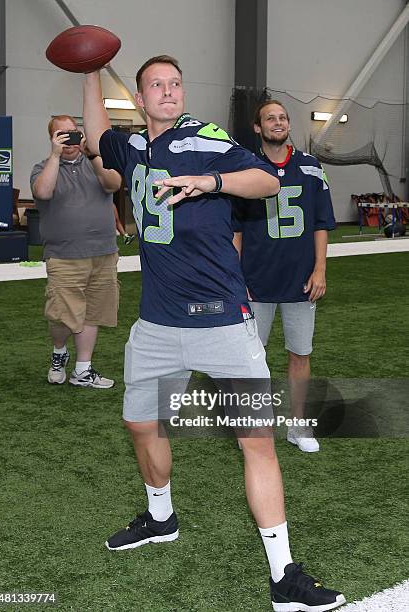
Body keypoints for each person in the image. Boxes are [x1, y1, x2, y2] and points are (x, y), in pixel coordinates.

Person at [83, 57, 345, 610]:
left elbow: (267, 180)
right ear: (140, 96)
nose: (170, 91)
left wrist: (211, 180)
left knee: (256, 442)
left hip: (222, 320)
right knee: (140, 423)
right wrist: (87, 70)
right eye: (157, 84)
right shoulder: (135, 148)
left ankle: (285, 574)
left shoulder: (203, 135)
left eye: (176, 83)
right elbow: (96, 139)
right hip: (155, 324)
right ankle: (161, 517)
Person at [232, 100, 336, 453]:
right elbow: (236, 230)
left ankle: (298, 426)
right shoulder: (246, 167)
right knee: (250, 358)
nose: (278, 122)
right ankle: (253, 426)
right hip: (256, 279)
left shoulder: (309, 166)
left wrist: (320, 268)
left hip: (300, 281)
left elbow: (322, 222)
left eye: (283, 117)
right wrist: (235, 276)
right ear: (257, 128)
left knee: (300, 354)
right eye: (270, 118)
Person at [30, 115, 122, 388]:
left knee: (93, 312)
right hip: (64, 255)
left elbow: (113, 184)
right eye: (62, 134)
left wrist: (92, 154)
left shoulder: (97, 163)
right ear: (52, 139)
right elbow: (43, 192)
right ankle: (59, 352)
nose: (69, 139)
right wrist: (55, 157)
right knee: (61, 314)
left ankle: (83, 369)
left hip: (103, 253)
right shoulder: (43, 167)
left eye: (73, 133)